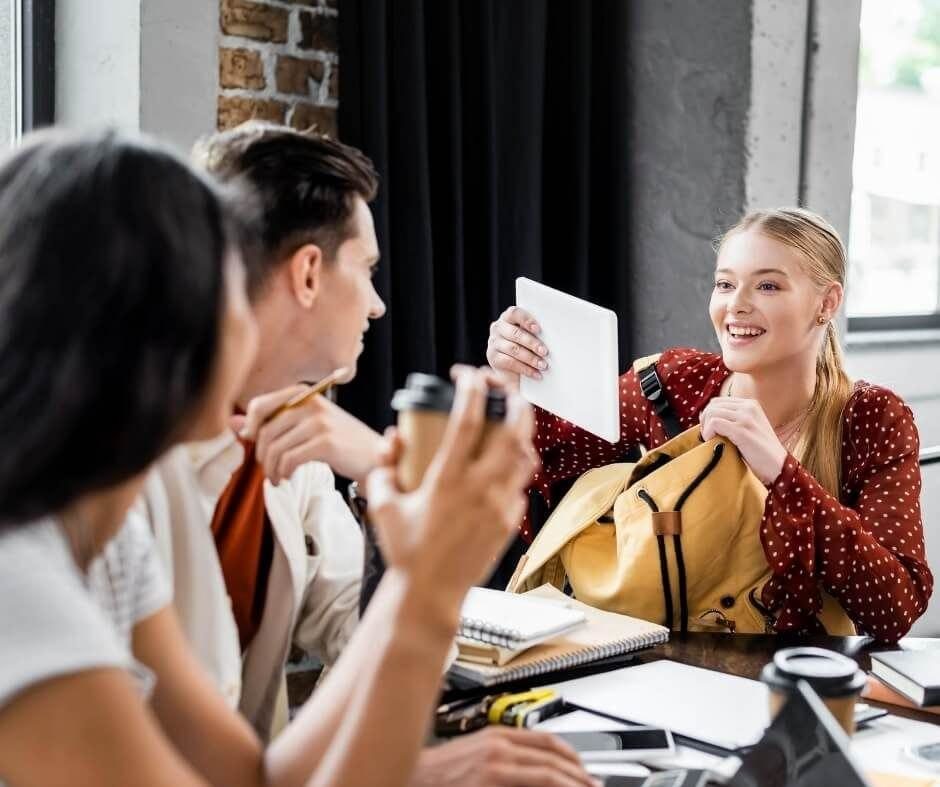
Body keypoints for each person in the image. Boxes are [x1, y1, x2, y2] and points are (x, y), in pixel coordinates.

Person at [0, 129, 586, 787]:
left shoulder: (111, 547)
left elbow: (254, 777)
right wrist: (427, 589)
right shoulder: (18, 582)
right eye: (227, 286)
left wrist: (421, 577)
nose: (248, 317)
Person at [487, 207, 932, 644]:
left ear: (826, 303)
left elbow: (895, 609)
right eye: (725, 284)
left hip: (790, 676)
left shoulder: (872, 418)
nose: (736, 305)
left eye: (768, 286)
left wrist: (782, 474)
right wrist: (515, 385)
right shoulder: (672, 384)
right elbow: (538, 465)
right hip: (652, 661)